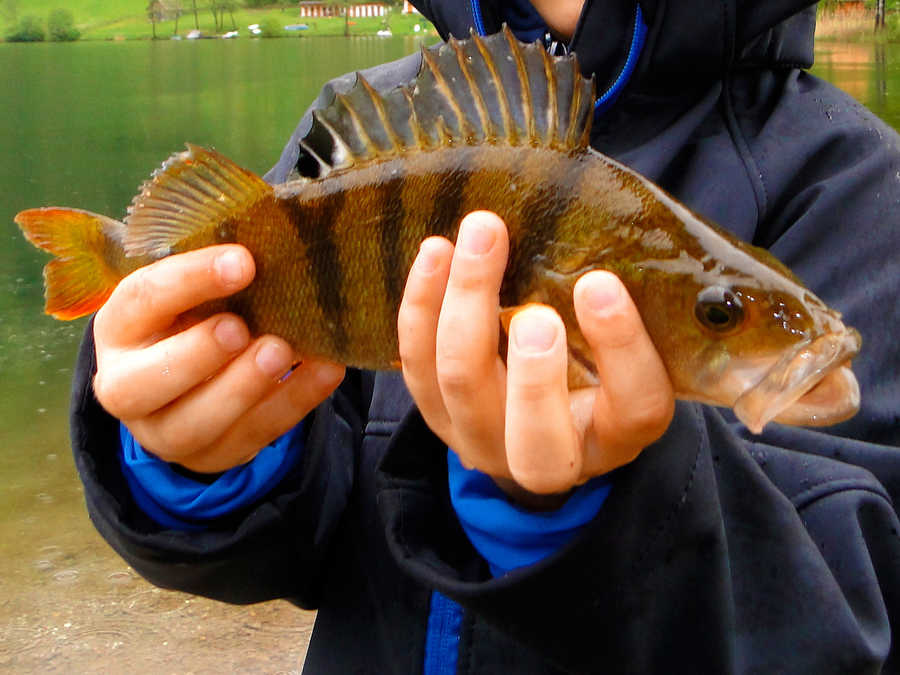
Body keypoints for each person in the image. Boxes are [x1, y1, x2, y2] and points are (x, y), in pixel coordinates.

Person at [71, 0, 900, 672]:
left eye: (716, 311)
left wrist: (626, 506)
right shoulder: (366, 117)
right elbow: (305, 537)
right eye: (722, 312)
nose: (725, 319)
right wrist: (196, 461)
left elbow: (857, 613)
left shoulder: (865, 192)